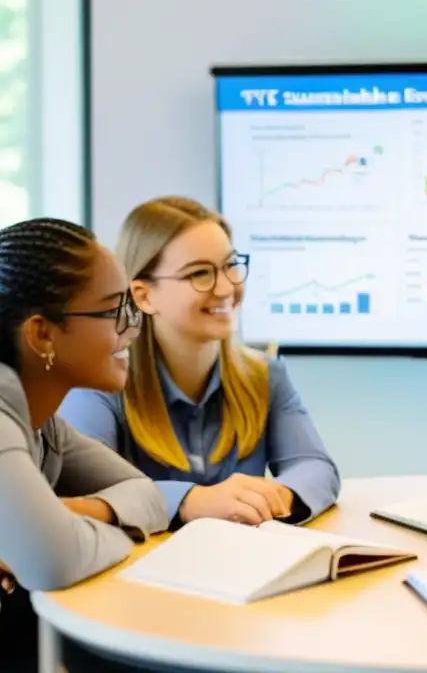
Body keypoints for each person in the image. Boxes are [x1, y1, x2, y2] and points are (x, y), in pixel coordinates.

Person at [61, 197, 340, 528]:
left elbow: (315, 466)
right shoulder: (97, 384)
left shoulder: (264, 375)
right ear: (143, 296)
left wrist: (277, 496)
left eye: (230, 265)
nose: (226, 288)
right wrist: (189, 501)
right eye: (200, 274)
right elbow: (82, 493)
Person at [0, 217, 169, 670]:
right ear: (43, 334)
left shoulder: (44, 424)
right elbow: (52, 559)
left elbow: (148, 496)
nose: (132, 328)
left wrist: (70, 515)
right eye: (113, 310)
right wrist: (51, 537)